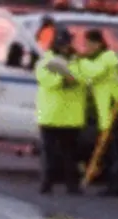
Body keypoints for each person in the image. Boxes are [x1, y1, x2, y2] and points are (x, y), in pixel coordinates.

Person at [79, 28, 118, 196]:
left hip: (115, 108)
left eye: (88, 44)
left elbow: (94, 72)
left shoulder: (108, 57)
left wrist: (80, 61)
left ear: (98, 43)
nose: (86, 48)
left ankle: (116, 185)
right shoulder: (100, 58)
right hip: (108, 108)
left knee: (115, 149)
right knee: (113, 148)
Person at [34, 27, 86, 195]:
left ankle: (72, 186)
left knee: (70, 155)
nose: (66, 47)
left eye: (67, 43)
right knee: (49, 154)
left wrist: (71, 78)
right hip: (51, 115)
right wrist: (64, 78)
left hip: (71, 117)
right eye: (63, 44)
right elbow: (46, 80)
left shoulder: (78, 61)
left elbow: (84, 79)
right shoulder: (45, 61)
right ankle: (46, 184)